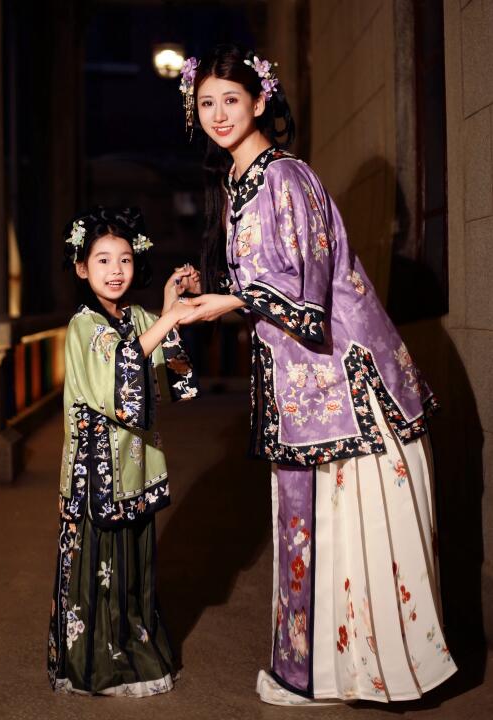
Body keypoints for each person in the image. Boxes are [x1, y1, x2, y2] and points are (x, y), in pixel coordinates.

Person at [177, 45, 457, 706]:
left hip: (344, 383)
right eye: (207, 102)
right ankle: (316, 674)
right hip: (305, 385)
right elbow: (266, 281)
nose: (219, 114)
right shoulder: (241, 183)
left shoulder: (285, 176)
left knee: (347, 530)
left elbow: (305, 295)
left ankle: (355, 674)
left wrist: (229, 301)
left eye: (231, 100)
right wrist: (212, 292)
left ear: (260, 102)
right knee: (308, 526)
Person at [48, 206, 199, 696]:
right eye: (103, 260)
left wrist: (171, 304)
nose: (116, 270)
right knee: (100, 570)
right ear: (81, 267)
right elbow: (120, 375)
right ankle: (98, 664)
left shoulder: (138, 317)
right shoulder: (83, 326)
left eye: (125, 259)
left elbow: (174, 368)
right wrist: (168, 317)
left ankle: (136, 650)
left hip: (137, 470)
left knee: (135, 570)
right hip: (97, 475)